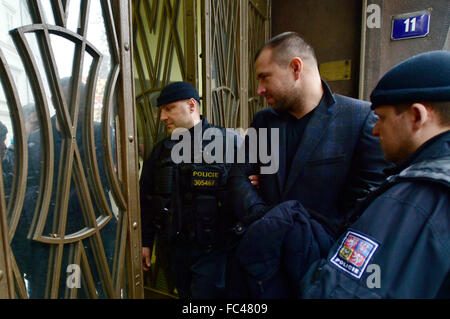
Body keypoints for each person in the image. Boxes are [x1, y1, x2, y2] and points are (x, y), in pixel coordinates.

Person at [299, 50, 450, 298]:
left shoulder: (413, 200)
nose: (376, 130)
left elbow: (338, 291)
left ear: (417, 116)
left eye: (381, 118)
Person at [228, 32, 389, 237]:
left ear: (296, 68)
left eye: (264, 77)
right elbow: (238, 177)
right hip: (266, 251)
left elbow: (370, 199)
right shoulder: (263, 121)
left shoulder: (360, 118)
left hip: (322, 257)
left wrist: (309, 235)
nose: (259, 90)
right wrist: (267, 219)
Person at [140, 81, 241, 298]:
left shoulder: (229, 143)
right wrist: (145, 242)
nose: (163, 117)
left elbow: (248, 192)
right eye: (161, 111)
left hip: (215, 251)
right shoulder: (160, 152)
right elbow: (146, 199)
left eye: (169, 109)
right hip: (175, 251)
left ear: (192, 105)